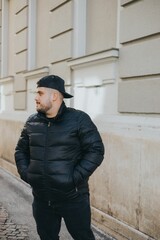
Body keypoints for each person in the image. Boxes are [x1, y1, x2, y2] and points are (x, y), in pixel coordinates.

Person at [15, 75, 104, 240]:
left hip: (73, 197)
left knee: (83, 236)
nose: (36, 98)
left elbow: (96, 150)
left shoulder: (78, 119)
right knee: (46, 236)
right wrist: (27, 174)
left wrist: (73, 179)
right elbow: (20, 150)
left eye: (40, 93)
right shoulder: (32, 122)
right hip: (42, 198)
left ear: (54, 96)